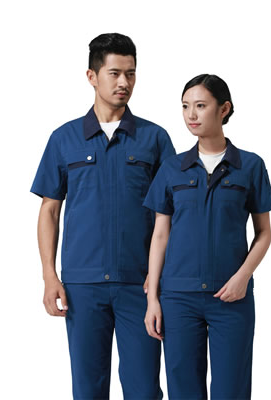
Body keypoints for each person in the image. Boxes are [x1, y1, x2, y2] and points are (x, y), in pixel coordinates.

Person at [30, 33, 175, 399]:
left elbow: (173, 214)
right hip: (82, 285)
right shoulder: (64, 139)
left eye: (131, 73)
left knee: (144, 389)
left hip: (141, 284)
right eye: (114, 73)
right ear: (92, 77)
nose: (124, 82)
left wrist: (162, 277)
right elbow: (49, 210)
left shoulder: (154, 139)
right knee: (88, 389)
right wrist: (49, 275)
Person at [143, 74, 271, 399]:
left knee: (231, 391)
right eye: (185, 106)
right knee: (183, 391)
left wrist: (243, 277)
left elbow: (264, 233)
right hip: (179, 297)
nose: (191, 115)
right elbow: (160, 234)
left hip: (231, 297)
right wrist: (152, 299)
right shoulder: (172, 168)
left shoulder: (250, 166)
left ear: (224, 109)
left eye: (201, 106)